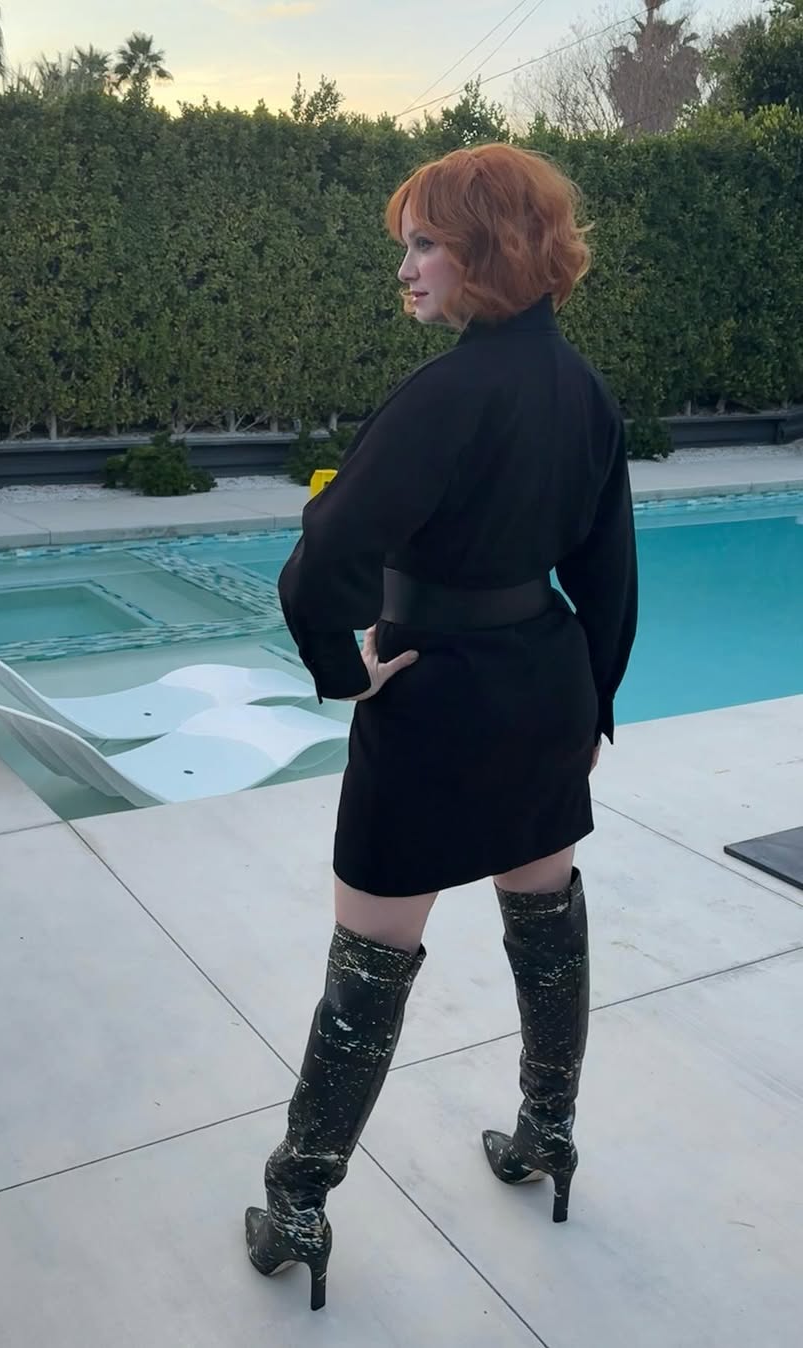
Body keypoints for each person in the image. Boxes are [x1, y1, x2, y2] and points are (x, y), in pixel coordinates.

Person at [243, 143, 639, 1311]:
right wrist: (593, 704)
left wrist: (342, 669)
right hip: (543, 689)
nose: (407, 266)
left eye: (425, 243)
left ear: (487, 250)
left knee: (369, 965)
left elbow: (325, 556)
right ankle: (547, 1133)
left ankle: (300, 1204)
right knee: (546, 923)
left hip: (432, 705)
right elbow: (609, 575)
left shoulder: (447, 395)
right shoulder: (584, 391)